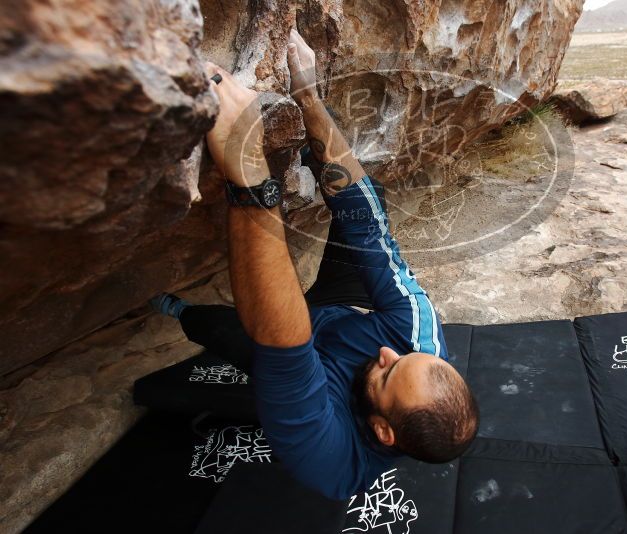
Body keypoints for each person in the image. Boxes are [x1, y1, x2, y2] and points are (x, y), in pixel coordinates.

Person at [151, 29, 479, 501]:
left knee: (216, 329)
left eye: (388, 375)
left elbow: (284, 345)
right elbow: (372, 233)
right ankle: (308, 146)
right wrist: (308, 97)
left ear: (383, 431)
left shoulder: (330, 458)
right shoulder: (416, 338)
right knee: (370, 206)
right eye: (407, 357)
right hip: (337, 308)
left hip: (289, 352)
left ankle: (173, 308)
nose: (389, 354)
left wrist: (247, 162)